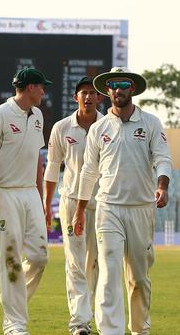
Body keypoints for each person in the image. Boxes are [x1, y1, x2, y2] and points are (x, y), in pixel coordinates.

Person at [73, 67, 171, 335]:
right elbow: (89, 171)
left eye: (124, 84)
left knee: (138, 278)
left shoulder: (151, 123)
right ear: (107, 90)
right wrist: (80, 209)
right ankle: (111, 331)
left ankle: (140, 329)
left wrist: (162, 186)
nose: (118, 89)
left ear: (133, 89)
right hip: (108, 208)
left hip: (141, 208)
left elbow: (163, 158)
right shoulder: (99, 128)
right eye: (113, 85)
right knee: (109, 271)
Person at [0, 67, 51, 335]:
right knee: (11, 259)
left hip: (30, 193)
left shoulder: (38, 115)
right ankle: (14, 323)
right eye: (41, 86)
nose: (44, 91)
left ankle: (12, 301)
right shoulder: (0, 115)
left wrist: (41, 199)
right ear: (30, 87)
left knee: (40, 257)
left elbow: (38, 160)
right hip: (3, 192)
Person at [43, 76, 103, 335]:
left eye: (92, 93)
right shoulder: (62, 127)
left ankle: (100, 318)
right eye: (83, 93)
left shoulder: (109, 125)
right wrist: (47, 204)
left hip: (101, 201)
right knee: (75, 262)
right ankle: (80, 322)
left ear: (100, 98)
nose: (88, 97)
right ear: (75, 97)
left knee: (98, 262)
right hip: (70, 202)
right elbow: (53, 167)